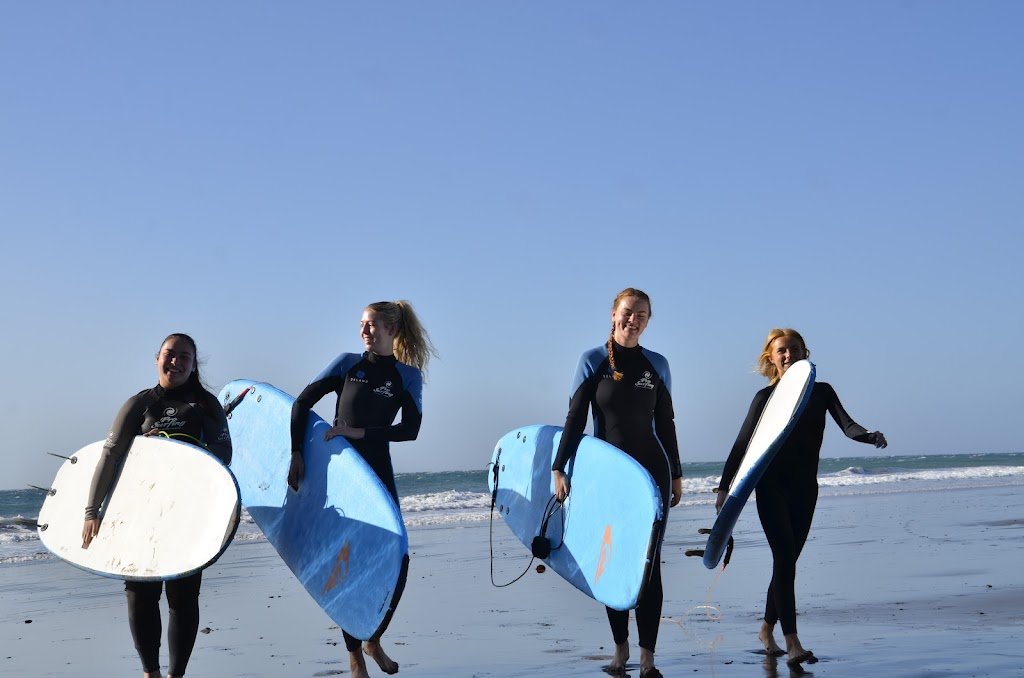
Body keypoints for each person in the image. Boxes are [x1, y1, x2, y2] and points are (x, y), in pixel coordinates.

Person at [716, 328, 887, 669]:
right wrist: (724, 489)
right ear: (771, 357)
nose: (788, 354)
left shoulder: (821, 392)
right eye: (781, 350)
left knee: (787, 563)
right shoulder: (764, 400)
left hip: (805, 489)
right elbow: (741, 445)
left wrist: (868, 436)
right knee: (783, 557)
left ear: (805, 353)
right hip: (771, 487)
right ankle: (793, 641)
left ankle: (766, 628)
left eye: (794, 348)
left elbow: (847, 424)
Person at [288, 300, 436, 678]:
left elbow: (410, 430)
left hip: (377, 475)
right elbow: (301, 403)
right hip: (339, 476)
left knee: (397, 560)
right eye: (362, 325)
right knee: (347, 560)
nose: (364, 331)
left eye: (371, 325)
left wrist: (360, 433)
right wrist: (297, 454)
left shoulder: (407, 376)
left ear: (392, 330)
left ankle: (373, 638)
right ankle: (354, 657)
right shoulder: (346, 364)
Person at [82, 333, 232, 678]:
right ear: (157, 358)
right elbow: (111, 454)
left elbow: (223, 458)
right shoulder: (139, 404)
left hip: (187, 514)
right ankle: (150, 672)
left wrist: (179, 449)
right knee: (139, 591)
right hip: (140, 512)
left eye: (184, 357)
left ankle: (175, 675)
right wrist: (92, 512)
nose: (175, 362)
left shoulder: (206, 405)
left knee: (182, 597)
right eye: (169, 354)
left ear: (194, 365)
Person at [551, 288, 683, 678]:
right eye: (628, 312)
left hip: (651, 475)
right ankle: (620, 649)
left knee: (649, 563)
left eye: (641, 314)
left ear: (648, 320)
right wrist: (560, 467)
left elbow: (667, 424)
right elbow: (575, 418)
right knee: (611, 561)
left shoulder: (657, 364)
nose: (634, 319)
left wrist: (675, 473)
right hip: (609, 478)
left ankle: (647, 658)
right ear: (613, 314)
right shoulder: (592, 360)